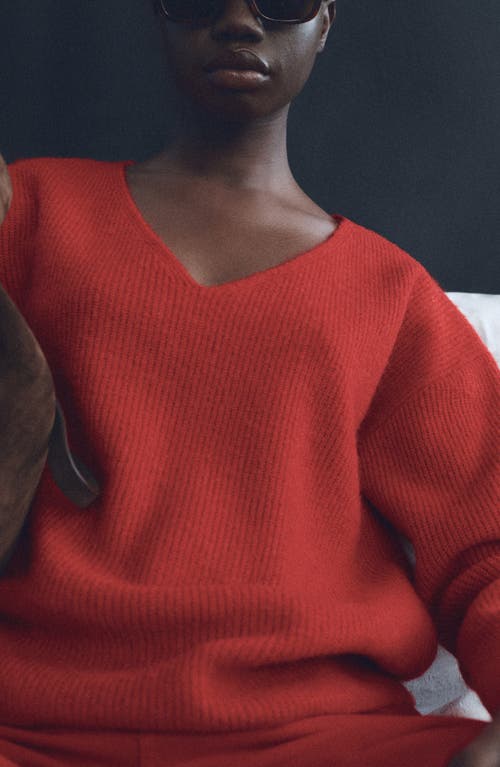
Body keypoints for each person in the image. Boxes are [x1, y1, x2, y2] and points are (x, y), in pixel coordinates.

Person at [0, 1, 498, 765]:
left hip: (323, 736)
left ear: (325, 24)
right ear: (159, 16)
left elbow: (486, 548)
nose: (239, 22)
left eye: (282, 2)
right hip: (28, 719)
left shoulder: (390, 292)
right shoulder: (29, 211)